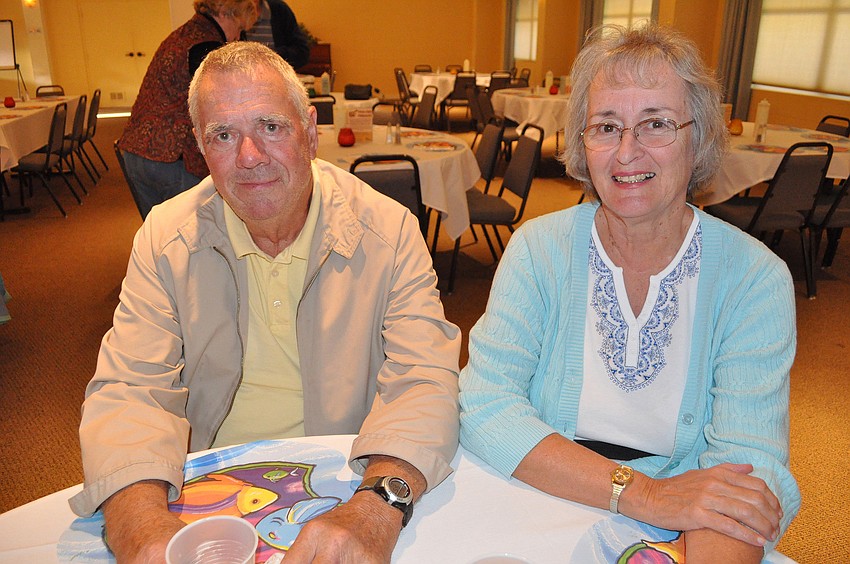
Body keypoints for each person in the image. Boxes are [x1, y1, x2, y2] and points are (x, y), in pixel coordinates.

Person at [70, 41, 460, 562]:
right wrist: (140, 528)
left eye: (271, 127)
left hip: (353, 475)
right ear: (200, 151)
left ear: (311, 134)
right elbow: (130, 392)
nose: (249, 157)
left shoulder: (389, 232)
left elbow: (425, 380)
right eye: (224, 135)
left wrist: (375, 506)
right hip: (204, 484)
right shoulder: (164, 238)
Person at [458, 24, 799, 563]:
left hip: (687, 530)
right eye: (607, 126)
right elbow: (484, 405)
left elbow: (743, 475)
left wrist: (681, 516)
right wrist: (646, 494)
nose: (627, 152)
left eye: (656, 124)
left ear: (701, 137)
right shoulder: (538, 250)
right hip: (541, 493)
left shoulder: (754, 280)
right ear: (581, 142)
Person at [117, 0, 258, 219]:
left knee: (162, 235)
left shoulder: (184, 35)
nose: (236, 38)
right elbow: (222, 108)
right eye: (238, 28)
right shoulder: (206, 45)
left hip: (138, 153)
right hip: (171, 158)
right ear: (225, 13)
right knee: (191, 234)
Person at [245, 0, 311, 69]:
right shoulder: (235, 13)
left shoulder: (279, 10)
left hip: (277, 73)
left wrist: (270, 54)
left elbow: (302, 52)